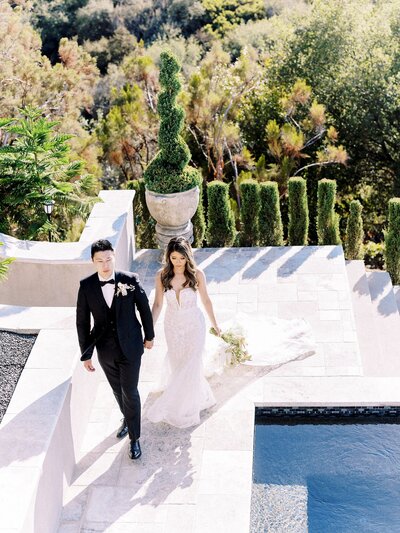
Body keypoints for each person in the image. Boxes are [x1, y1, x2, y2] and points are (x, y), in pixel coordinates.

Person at [76, 239, 154, 460]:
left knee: (130, 391)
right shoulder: (86, 286)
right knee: (117, 391)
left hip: (131, 346)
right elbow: (82, 322)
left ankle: (135, 439)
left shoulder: (130, 280)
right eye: (100, 261)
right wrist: (86, 353)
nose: (105, 264)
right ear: (93, 261)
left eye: (108, 259)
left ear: (114, 256)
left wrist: (149, 336)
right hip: (105, 350)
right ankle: (127, 419)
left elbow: (144, 309)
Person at [146, 236, 221, 428]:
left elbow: (206, 301)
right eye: (173, 258)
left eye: (181, 258)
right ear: (168, 257)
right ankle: (190, 394)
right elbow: (157, 304)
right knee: (179, 364)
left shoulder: (197, 275)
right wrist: (149, 331)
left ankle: (186, 407)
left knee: (192, 363)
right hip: (173, 327)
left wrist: (215, 324)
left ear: (188, 257)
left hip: (194, 325)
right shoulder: (162, 276)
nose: (178, 263)